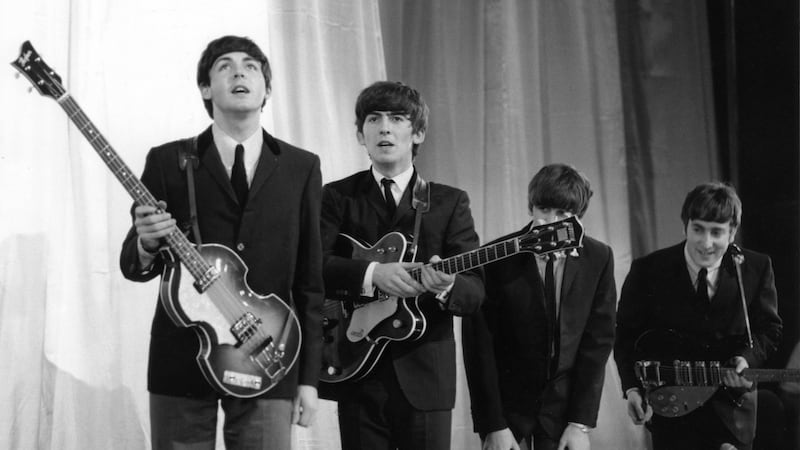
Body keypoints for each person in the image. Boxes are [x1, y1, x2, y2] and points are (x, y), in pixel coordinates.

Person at [119, 35, 323, 449]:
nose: (239, 72)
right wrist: (146, 244)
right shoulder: (168, 161)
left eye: (250, 66)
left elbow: (310, 279)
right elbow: (133, 263)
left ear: (267, 88)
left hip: (270, 356)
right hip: (183, 356)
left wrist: (309, 379)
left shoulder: (302, 167)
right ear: (206, 89)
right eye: (224, 66)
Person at [319, 81, 485, 449]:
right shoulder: (336, 196)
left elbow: (473, 291)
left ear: (418, 132)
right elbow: (312, 266)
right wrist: (372, 274)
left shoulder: (449, 202)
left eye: (397, 118)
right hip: (355, 365)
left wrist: (444, 285)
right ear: (360, 134)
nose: (385, 128)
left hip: (425, 375)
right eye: (374, 119)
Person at [614, 182, 782, 450]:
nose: (706, 243)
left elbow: (769, 330)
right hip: (672, 415)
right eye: (698, 230)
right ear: (685, 226)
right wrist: (632, 388)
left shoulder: (757, 267)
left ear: (732, 232)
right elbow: (625, 335)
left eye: (717, 232)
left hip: (733, 410)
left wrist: (746, 359)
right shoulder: (648, 270)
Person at [462, 164, 617, 450]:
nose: (550, 222)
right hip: (508, 415)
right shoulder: (497, 256)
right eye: (544, 210)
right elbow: (479, 348)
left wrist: (579, 423)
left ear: (577, 217)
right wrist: (494, 424)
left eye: (562, 214)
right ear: (531, 206)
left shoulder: (599, 257)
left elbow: (597, 344)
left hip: (564, 416)